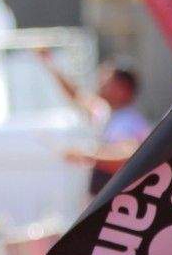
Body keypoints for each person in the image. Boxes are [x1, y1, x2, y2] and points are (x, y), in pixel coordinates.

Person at [52, 60, 152, 198]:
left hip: (118, 203)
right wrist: (49, 62)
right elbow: (76, 95)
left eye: (107, 81)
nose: (101, 84)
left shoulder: (129, 122)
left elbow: (128, 156)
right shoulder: (106, 113)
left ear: (123, 88)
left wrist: (86, 154)